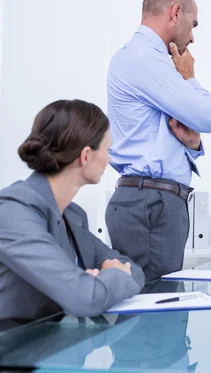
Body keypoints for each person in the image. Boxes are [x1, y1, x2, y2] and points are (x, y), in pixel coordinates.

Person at [0, 99, 145, 322]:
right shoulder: (13, 211)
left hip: (53, 347)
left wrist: (100, 281)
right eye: (107, 149)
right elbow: (85, 298)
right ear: (86, 156)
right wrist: (106, 278)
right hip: (12, 350)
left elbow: (133, 270)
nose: (109, 159)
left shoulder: (73, 215)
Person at [106, 0, 211, 282]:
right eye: (193, 25)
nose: (192, 36)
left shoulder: (143, 59)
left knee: (158, 314)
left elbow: (155, 132)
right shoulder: (144, 59)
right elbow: (208, 117)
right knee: (158, 315)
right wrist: (188, 76)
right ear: (176, 12)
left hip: (151, 204)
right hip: (151, 206)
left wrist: (191, 145)